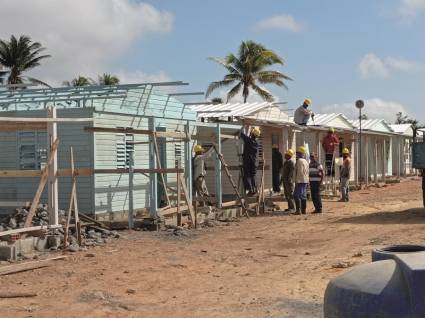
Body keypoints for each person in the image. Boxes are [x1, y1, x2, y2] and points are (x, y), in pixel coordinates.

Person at [240, 126, 260, 195]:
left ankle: (250, 189)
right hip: (254, 162)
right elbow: (247, 137)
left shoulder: (248, 140)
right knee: (253, 175)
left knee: (247, 175)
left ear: (252, 134)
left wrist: (243, 127)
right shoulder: (256, 143)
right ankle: (255, 188)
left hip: (247, 161)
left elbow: (241, 134)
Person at [294, 146, 309, 214]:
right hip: (305, 180)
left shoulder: (299, 161)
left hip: (300, 180)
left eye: (298, 153)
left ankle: (298, 210)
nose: (297, 154)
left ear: (300, 153)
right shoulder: (306, 161)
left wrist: (297, 181)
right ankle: (303, 210)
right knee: (303, 195)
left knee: (297, 195)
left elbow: (299, 171)